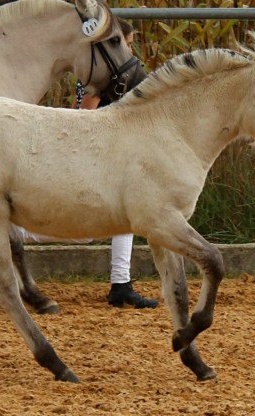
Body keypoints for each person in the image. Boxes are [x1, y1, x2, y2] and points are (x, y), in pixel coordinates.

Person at [75, 19, 158, 309]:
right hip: (100, 151)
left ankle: (121, 283)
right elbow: (84, 116)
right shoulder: (102, 77)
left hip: (110, 150)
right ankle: (15, 230)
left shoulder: (109, 75)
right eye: (127, 44)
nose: (130, 51)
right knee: (86, 230)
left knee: (122, 216)